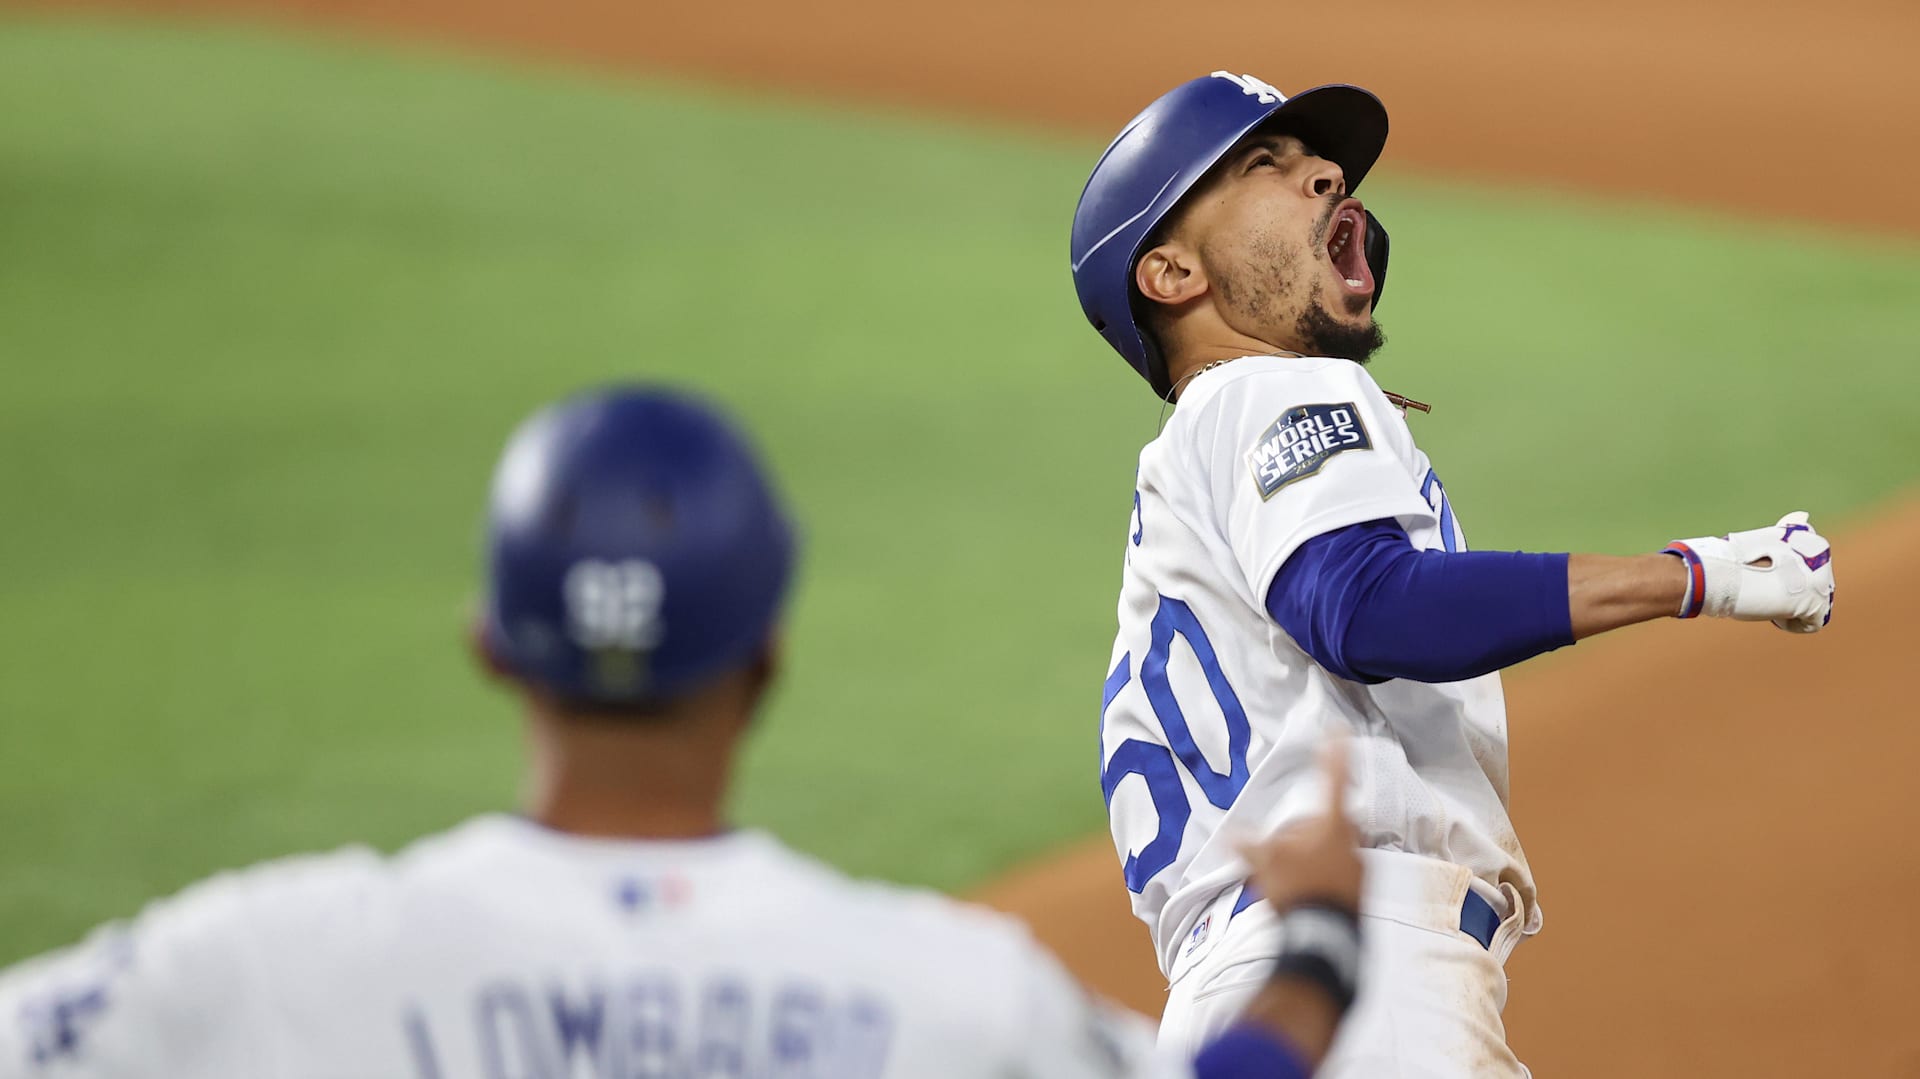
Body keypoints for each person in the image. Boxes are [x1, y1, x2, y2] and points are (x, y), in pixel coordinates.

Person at [2, 385, 1372, 1078]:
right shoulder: (953, 995)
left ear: (493, 648)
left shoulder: (272, 955)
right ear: (765, 654)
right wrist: (1313, 938)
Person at [1069, 71, 1837, 1076]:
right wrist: (1698, 575)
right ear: (1170, 273)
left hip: (1279, 997)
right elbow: (1368, 603)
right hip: (1366, 993)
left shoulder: (1202, 462)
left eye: (1318, 164)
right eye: (1266, 164)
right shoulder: (1261, 392)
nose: (1327, 176)